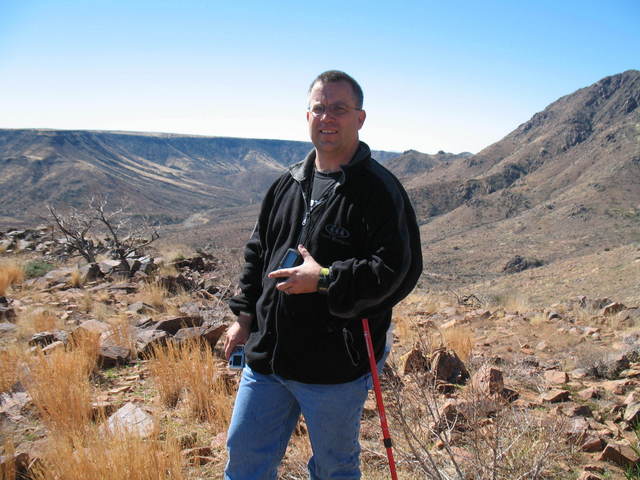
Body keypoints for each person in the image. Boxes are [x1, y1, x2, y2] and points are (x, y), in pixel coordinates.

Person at [223, 70, 422, 480]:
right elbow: (257, 252)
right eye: (319, 108)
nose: (327, 117)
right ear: (307, 115)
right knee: (244, 460)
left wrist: (327, 278)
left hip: (333, 365)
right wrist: (244, 318)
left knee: (334, 468)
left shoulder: (379, 191)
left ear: (360, 118)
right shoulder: (287, 182)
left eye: (339, 109)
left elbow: (397, 271)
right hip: (267, 356)